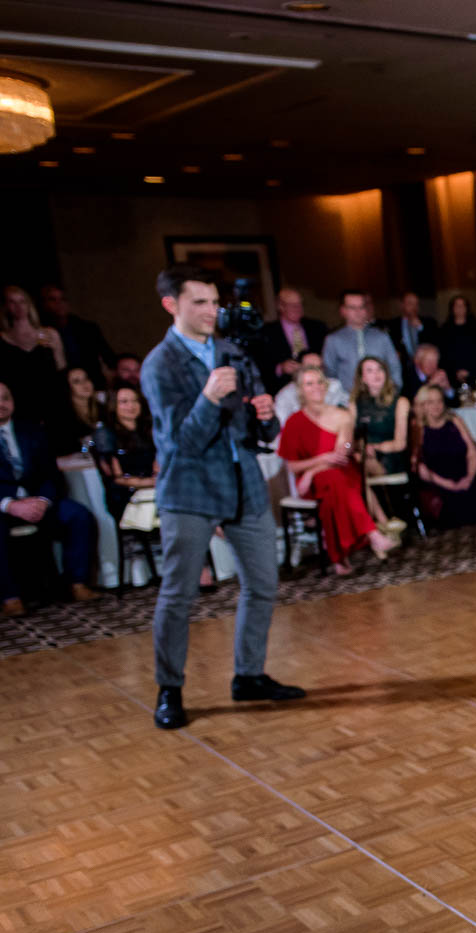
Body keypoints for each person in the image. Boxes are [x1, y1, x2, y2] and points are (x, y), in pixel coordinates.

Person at [140, 265, 304, 731]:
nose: (212, 311)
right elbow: (180, 444)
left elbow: (262, 433)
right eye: (200, 302)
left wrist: (266, 416)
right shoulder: (160, 364)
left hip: (244, 481)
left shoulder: (233, 351)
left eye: (215, 301)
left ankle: (248, 675)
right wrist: (209, 399)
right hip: (189, 489)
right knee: (179, 594)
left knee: (264, 583)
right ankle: (169, 688)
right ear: (172, 305)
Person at [278, 366, 397, 575]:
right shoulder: (293, 422)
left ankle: (340, 558)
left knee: (334, 486)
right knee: (333, 481)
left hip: (340, 472)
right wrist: (318, 465)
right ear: (301, 390)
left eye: (319, 382)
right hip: (315, 481)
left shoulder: (342, 416)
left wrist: (313, 470)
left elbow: (343, 453)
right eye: (309, 383)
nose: (316, 387)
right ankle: (371, 533)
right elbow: (292, 465)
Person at [0, 380, 100, 614]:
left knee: (78, 515)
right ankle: (9, 597)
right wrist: (9, 505)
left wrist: (43, 501)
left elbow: (51, 475)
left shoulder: (32, 429)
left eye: (5, 397)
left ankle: (76, 583)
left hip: (38, 500)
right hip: (4, 507)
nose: (1, 404)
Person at [410, 383, 476, 527]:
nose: (436, 405)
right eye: (431, 402)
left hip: (464, 474)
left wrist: (469, 478)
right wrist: (449, 484)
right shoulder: (418, 428)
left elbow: (472, 452)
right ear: (423, 405)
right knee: (455, 515)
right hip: (438, 482)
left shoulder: (454, 420)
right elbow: (419, 467)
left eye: (439, 401)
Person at [351, 355, 411, 529]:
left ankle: (373, 526)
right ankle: (381, 522)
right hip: (362, 456)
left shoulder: (400, 401)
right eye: (369, 370)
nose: (376, 374)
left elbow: (400, 443)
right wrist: (352, 449)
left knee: (354, 473)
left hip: (390, 456)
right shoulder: (355, 403)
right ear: (362, 378)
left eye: (379, 369)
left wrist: (375, 448)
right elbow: (348, 441)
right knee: (355, 467)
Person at [90, 383, 159, 523]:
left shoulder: (148, 429)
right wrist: (150, 482)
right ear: (113, 405)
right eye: (124, 402)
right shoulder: (105, 434)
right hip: (126, 494)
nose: (131, 406)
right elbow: (116, 477)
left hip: (155, 487)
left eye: (135, 400)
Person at [0, 285, 65, 428]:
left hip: (52, 402)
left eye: (22, 301)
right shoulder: (3, 339)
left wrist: (55, 349)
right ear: (5, 306)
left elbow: (62, 369)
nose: (18, 307)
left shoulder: (49, 334)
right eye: (12, 302)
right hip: (20, 406)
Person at [321, 289, 401, 388]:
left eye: (361, 307)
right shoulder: (333, 340)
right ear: (343, 310)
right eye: (352, 307)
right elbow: (329, 374)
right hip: (346, 399)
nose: (358, 311)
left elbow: (394, 367)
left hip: (380, 398)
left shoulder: (382, 337)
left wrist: (393, 392)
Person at [38, 284, 112, 386]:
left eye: (63, 299)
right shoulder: (41, 332)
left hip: (93, 383)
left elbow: (108, 356)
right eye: (52, 300)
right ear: (44, 304)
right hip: (60, 385)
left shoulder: (87, 328)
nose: (59, 303)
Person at [259, 288, 329, 392]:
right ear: (280, 306)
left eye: (300, 304)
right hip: (283, 388)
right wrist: (281, 368)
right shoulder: (267, 332)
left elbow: (328, 358)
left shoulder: (318, 327)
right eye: (292, 305)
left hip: (317, 387)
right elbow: (261, 366)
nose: (298, 308)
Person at [53, 365, 105, 457]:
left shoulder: (102, 408)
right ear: (67, 387)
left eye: (86, 378)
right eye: (77, 381)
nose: (84, 384)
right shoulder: (61, 416)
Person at [438, 295, 476, 383]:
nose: (460, 308)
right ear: (452, 308)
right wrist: (455, 372)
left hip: (475, 374)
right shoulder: (444, 330)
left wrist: (469, 372)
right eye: (457, 305)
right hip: (451, 377)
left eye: (462, 305)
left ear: (467, 308)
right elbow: (443, 355)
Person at [385, 290, 438, 366]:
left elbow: (434, 342)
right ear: (402, 305)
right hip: (404, 366)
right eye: (410, 303)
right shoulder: (393, 324)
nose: (414, 307)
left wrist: (420, 327)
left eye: (416, 304)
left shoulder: (428, 322)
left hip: (424, 365)